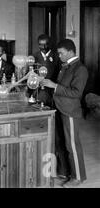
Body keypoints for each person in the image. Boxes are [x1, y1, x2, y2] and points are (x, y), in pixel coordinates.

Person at [42, 39, 88, 188]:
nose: (59, 56)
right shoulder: (65, 66)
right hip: (59, 108)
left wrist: (54, 85)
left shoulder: (80, 69)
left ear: (70, 52)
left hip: (70, 111)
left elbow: (76, 93)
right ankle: (65, 172)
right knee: (61, 143)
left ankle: (78, 177)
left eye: (61, 53)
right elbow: (60, 88)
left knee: (72, 146)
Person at [33, 34, 61, 106]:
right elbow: (31, 73)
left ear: (50, 44)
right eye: (41, 45)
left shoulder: (57, 56)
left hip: (53, 92)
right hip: (38, 92)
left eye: (46, 44)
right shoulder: (34, 56)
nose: (43, 47)